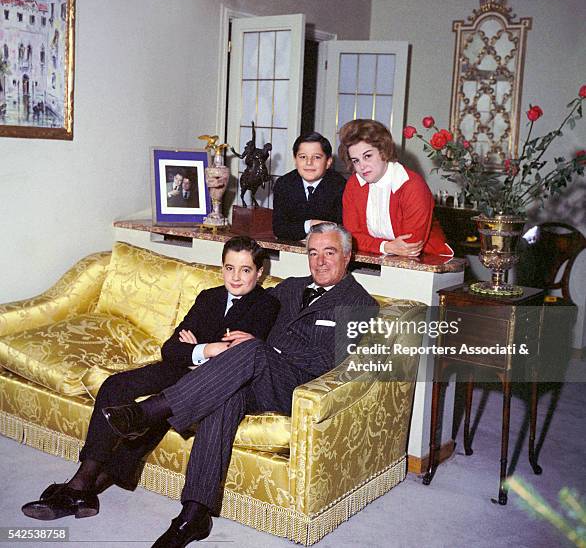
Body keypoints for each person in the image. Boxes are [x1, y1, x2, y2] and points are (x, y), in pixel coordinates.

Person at [23, 224, 377, 548]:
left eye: (329, 252)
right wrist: (227, 347)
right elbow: (246, 320)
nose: (320, 260)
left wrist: (261, 346)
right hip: (251, 374)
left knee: (251, 348)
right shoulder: (289, 288)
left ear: (347, 256)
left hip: (293, 384)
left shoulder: (361, 304)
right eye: (313, 252)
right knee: (225, 398)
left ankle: (148, 412)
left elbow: (329, 366)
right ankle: (194, 515)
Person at [21, 236, 280, 525]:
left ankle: (82, 487)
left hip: (212, 385)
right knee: (114, 386)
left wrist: (195, 348)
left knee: (166, 402)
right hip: (181, 366)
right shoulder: (209, 297)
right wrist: (208, 348)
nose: (235, 277)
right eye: (229, 267)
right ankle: (87, 476)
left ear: (259, 273)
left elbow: (238, 358)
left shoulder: (267, 305)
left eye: (245, 270)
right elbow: (170, 349)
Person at [339, 119, 453, 257]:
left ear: (383, 151)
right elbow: (350, 238)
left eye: (367, 156)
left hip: (427, 261)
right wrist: (385, 246)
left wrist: (374, 245)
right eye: (356, 160)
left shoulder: (412, 185)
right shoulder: (354, 184)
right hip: (375, 258)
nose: (362, 166)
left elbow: (411, 246)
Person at [272, 132, 346, 240]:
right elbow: (279, 229)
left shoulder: (340, 186)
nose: (309, 162)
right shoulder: (284, 184)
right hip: (290, 252)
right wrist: (310, 224)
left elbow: (340, 230)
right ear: (295, 160)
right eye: (302, 157)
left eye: (316, 157)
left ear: (328, 162)